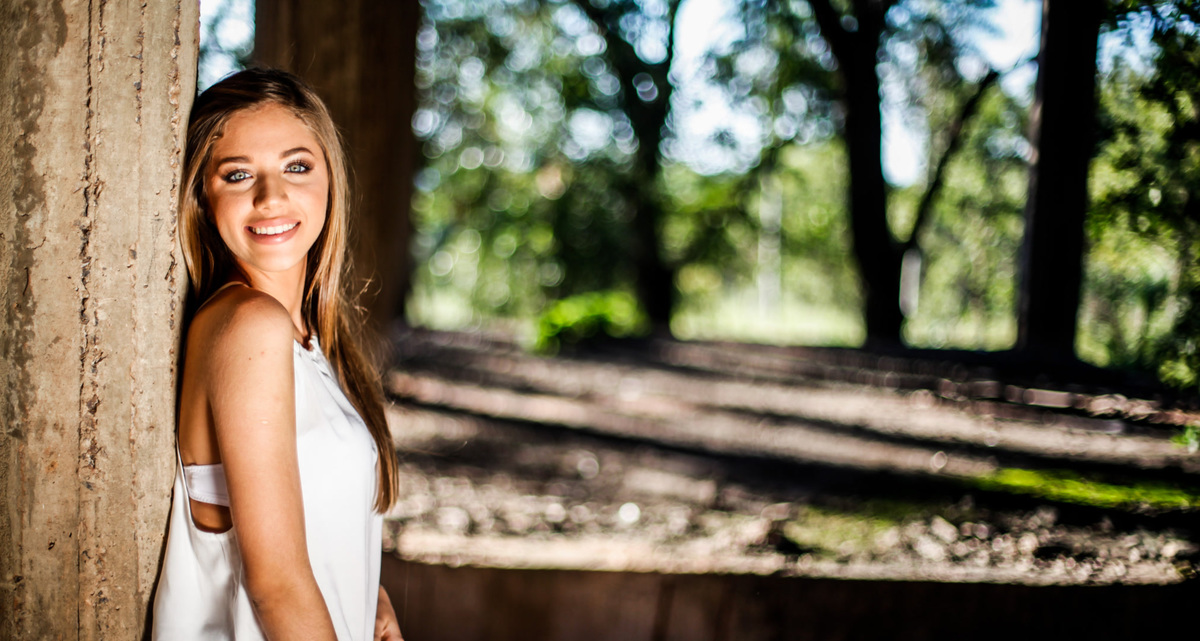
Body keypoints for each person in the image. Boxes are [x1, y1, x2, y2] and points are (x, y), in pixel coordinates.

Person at [152, 68, 403, 641]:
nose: (271, 197)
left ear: (329, 179)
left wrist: (368, 595)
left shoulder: (307, 340)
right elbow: (276, 585)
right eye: (238, 175)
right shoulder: (249, 326)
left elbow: (303, 522)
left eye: (296, 166)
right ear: (203, 197)